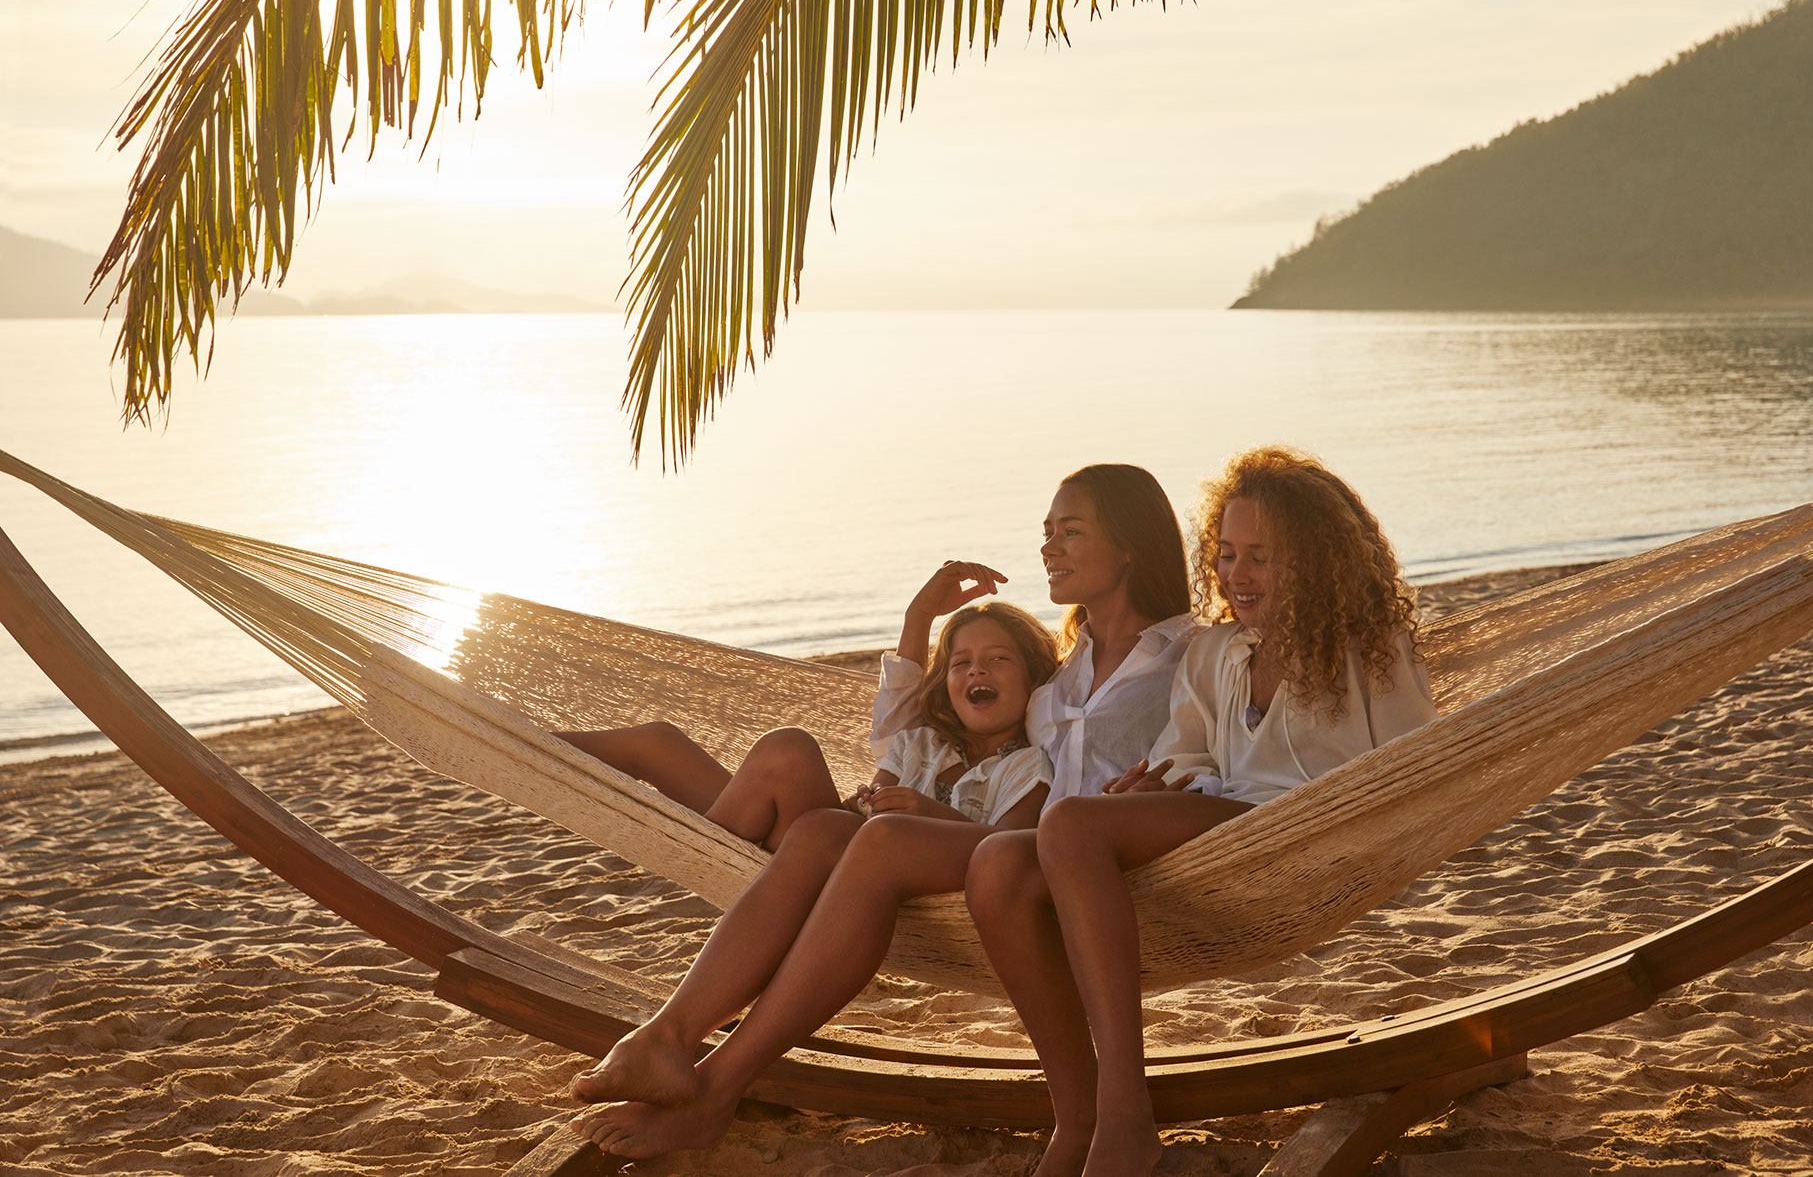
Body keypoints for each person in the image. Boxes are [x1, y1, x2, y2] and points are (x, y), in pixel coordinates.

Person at [569, 463, 1197, 1158]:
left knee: (870, 835)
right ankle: (676, 1044)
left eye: (1070, 531)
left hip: (1101, 857)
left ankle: (705, 1074)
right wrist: (916, 623)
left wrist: (1179, 786)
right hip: (1022, 853)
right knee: (832, 823)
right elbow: (916, 725)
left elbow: (1227, 741)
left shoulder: (1191, 653)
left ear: (1131, 543)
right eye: (1045, 532)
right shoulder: (1062, 675)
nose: (1048, 547)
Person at [964, 447, 1439, 1177]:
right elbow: (1191, 755)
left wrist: (1351, 824)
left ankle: (1125, 1116)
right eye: (1225, 554)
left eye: (1261, 557)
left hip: (1310, 829)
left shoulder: (1368, 648)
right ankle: (1081, 1109)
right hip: (1226, 826)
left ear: (1314, 560)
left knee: (1068, 823)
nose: (1236, 574)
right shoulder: (1215, 651)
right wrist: (1158, 786)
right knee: (1004, 856)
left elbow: (1415, 764)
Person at [569, 598, 1060, 1111]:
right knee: (770, 746)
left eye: (999, 659)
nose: (977, 669)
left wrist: (922, 814)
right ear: (945, 684)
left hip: (902, 887)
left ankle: (673, 1027)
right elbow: (872, 801)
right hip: (830, 857)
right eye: (961, 662)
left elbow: (1011, 851)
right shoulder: (919, 744)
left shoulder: (1030, 767)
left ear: (1035, 683)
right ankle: (493, 730)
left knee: (811, 808)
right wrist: (868, 804)